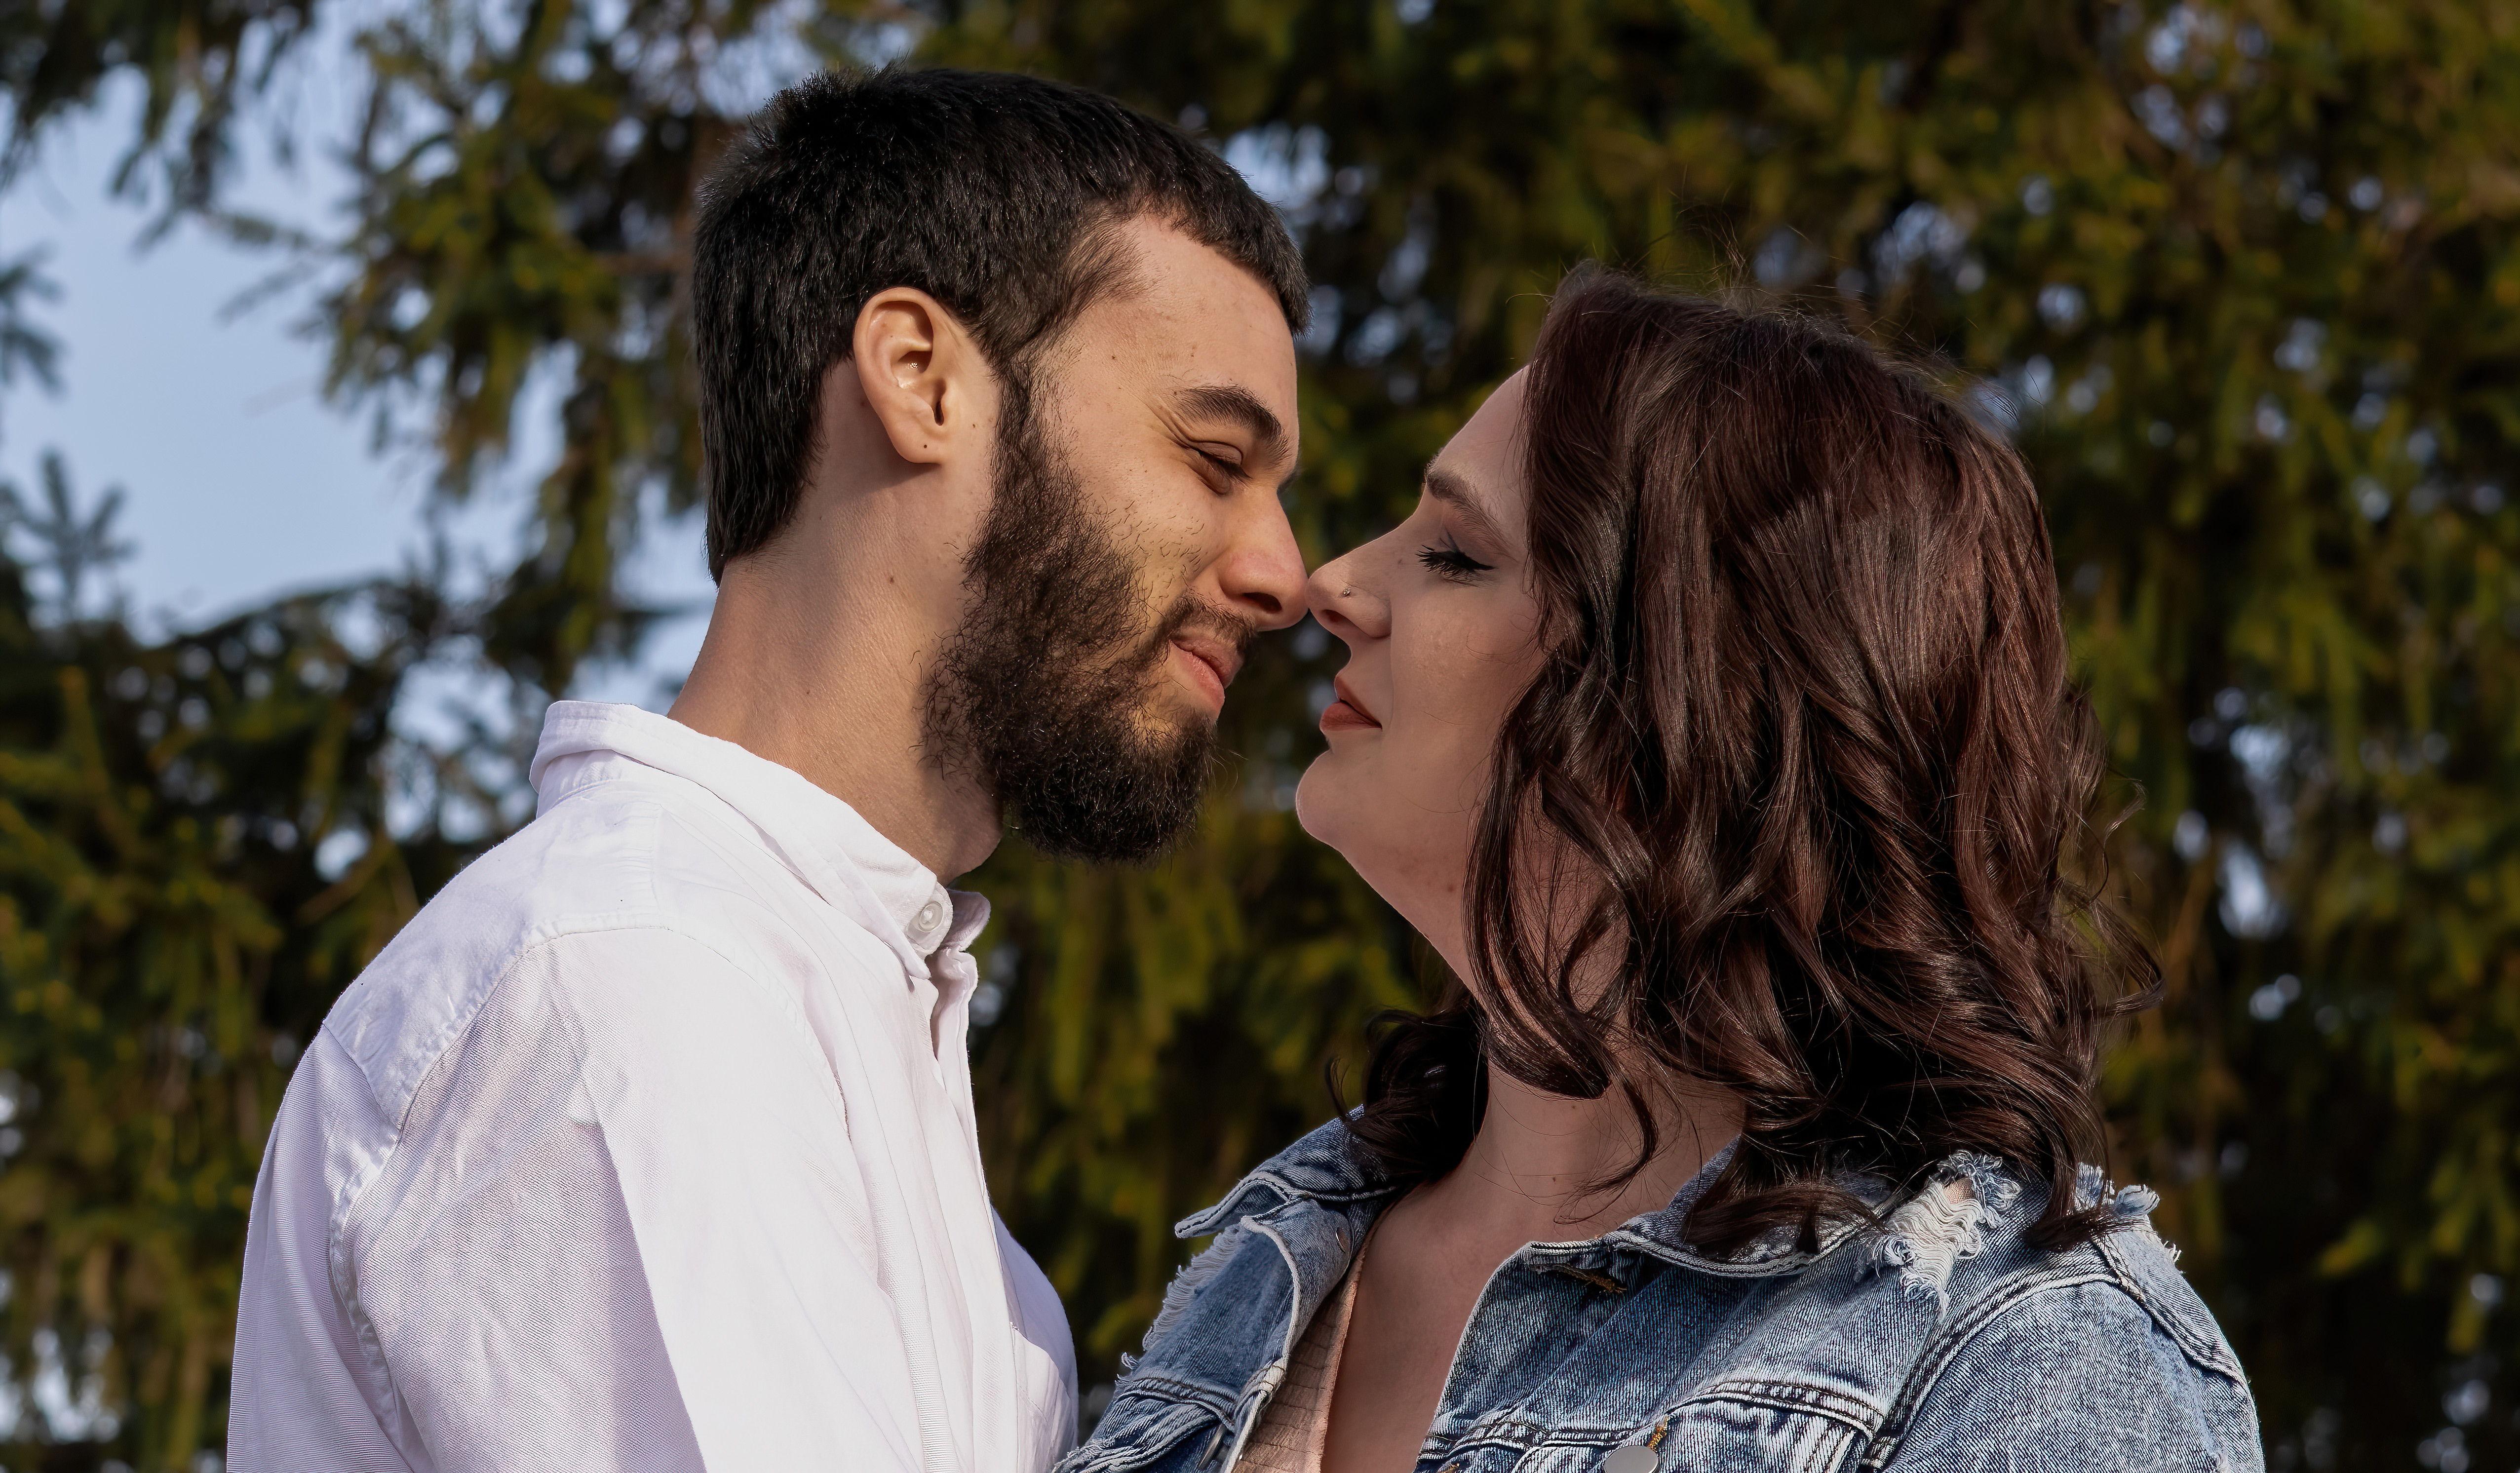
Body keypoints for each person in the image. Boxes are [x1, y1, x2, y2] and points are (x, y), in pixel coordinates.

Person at [228, 67, 1311, 1473]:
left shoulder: (847, 1066)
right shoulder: (637, 980)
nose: (1283, 572)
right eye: (1213, 456)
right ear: (920, 378)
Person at [1065, 269, 2264, 1473]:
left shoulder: (2025, 1353)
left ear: (1695, 694)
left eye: (1457, 554)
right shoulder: (1271, 1261)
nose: (1333, 583)